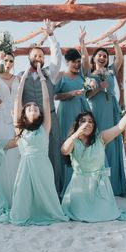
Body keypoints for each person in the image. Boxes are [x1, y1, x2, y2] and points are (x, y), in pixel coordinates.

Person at [10, 63, 69, 226]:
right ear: (24, 114)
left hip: (43, 164)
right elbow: (17, 100)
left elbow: (45, 100)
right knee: (24, 194)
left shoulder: (45, 128)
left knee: (47, 193)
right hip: (26, 166)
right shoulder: (19, 129)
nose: (34, 108)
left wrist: (43, 79)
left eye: (36, 107)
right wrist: (22, 79)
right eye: (29, 108)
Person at [61, 106, 126, 222]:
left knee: (106, 214)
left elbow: (120, 127)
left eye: (90, 121)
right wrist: (77, 133)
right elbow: (64, 150)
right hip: (80, 187)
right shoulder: (74, 142)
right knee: (79, 214)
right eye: (83, 121)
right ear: (77, 124)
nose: (87, 123)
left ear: (94, 126)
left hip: (99, 186)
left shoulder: (101, 138)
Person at [20, 19, 64, 195]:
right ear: (29, 58)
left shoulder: (50, 74)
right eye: (35, 56)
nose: (38, 58)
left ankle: (55, 190)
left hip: (50, 118)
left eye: (41, 56)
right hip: (30, 121)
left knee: (54, 153)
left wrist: (51, 35)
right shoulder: (20, 76)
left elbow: (57, 57)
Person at [85, 33, 126, 196]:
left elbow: (119, 59)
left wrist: (116, 43)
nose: (102, 57)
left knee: (112, 142)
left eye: (105, 56)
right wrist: (98, 87)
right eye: (100, 55)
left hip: (111, 109)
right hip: (96, 110)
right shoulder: (89, 75)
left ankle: (115, 185)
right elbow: (87, 96)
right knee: (98, 142)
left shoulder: (111, 71)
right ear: (94, 58)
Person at [54, 29, 91, 191]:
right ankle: (67, 185)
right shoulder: (62, 76)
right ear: (67, 62)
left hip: (82, 111)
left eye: (78, 61)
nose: (77, 64)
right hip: (66, 112)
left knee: (83, 143)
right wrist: (70, 94)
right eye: (74, 62)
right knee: (68, 144)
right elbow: (55, 96)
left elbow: (87, 61)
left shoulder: (82, 75)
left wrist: (82, 42)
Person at [0, 51, 20, 204]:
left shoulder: (18, 78)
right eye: (6, 60)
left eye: (10, 61)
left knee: (16, 154)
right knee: (0, 153)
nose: (8, 63)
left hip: (15, 118)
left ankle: (16, 194)